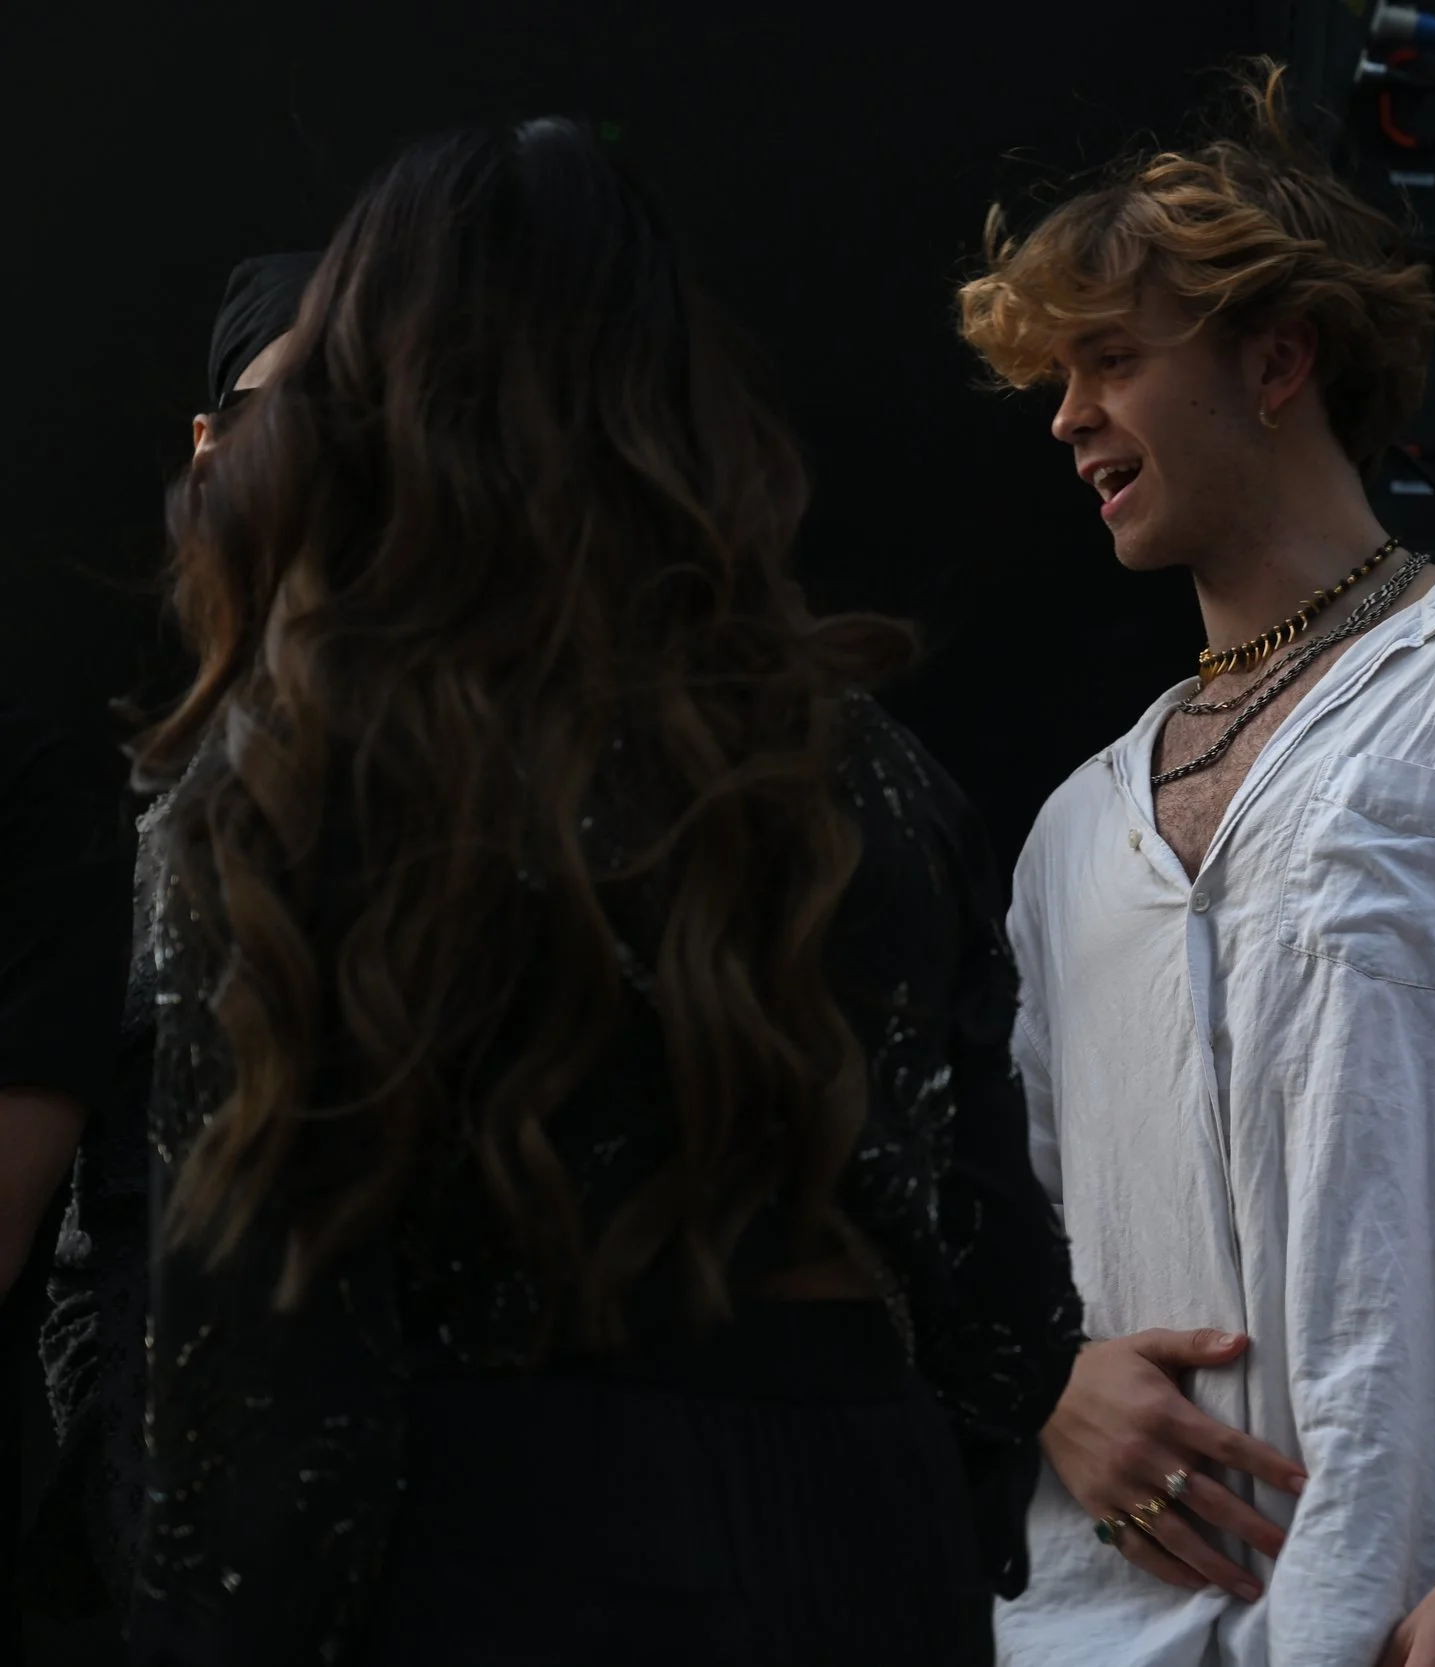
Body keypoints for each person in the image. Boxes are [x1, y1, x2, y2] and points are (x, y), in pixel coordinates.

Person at [123, 118, 1083, 1666]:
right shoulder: (870, 772)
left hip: (492, 1551)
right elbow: (1008, 1315)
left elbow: (255, 1422)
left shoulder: (299, 781)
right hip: (857, 1531)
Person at [957, 63, 1435, 1667]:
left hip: (1434, 1619)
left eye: (1109, 358)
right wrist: (1048, 1378)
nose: (1069, 416)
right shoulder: (1069, 832)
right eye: (1057, 375)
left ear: (1278, 357)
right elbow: (1007, 1197)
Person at [28, 249, 322, 1629]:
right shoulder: (128, 820)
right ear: (208, 455)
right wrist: (126, 1493)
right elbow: (93, 1237)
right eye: (290, 412)